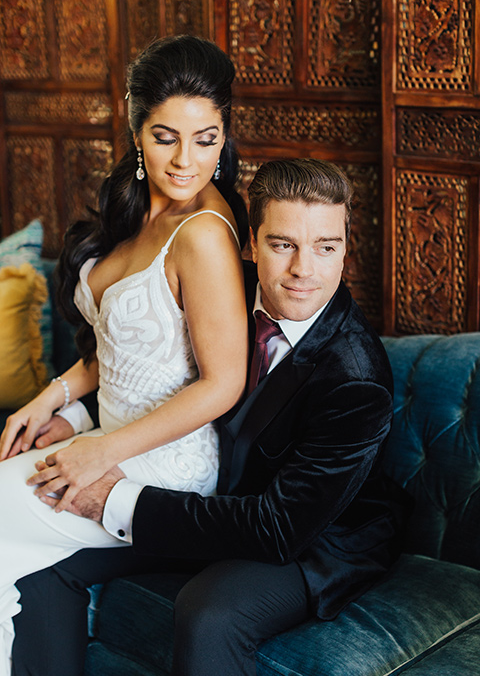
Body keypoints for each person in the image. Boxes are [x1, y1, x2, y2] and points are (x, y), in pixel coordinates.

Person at [13, 158, 411, 676]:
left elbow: (276, 529)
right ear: (250, 244)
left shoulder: (356, 376)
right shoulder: (222, 283)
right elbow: (159, 373)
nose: (303, 271)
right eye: (283, 244)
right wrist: (74, 414)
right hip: (214, 495)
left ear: (344, 249)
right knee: (44, 564)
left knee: (208, 613)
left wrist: (114, 500)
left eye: (326, 247)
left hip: (311, 538)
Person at [0, 34, 250, 674]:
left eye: (207, 138)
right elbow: (126, 350)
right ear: (135, 128)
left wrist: (98, 450)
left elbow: (223, 383)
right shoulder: (140, 208)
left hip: (163, 470)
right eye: (166, 136)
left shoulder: (206, 235)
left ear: (225, 135)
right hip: (109, 437)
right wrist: (53, 401)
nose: (186, 161)